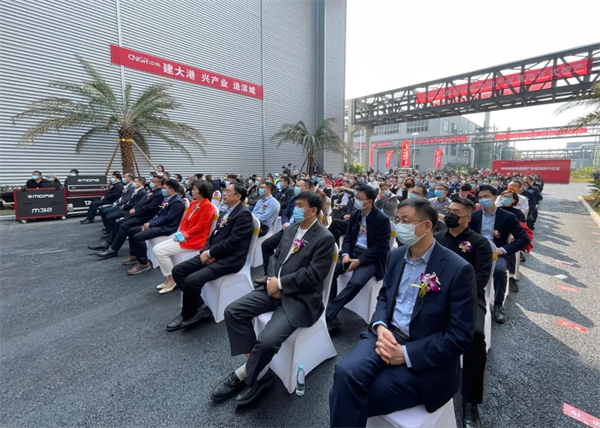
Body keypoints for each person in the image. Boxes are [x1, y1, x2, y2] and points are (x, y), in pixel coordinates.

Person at [329, 199, 477, 428]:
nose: (399, 226)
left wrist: (406, 354)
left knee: (351, 394)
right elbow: (385, 297)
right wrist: (380, 325)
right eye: (397, 220)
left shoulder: (458, 269)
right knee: (345, 374)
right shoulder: (396, 256)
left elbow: (460, 337)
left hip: (423, 351)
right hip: (386, 334)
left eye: (406, 221)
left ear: (427, 226)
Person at [211, 192, 335, 406]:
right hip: (273, 287)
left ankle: (248, 375)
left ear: (312, 211)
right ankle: (258, 370)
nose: (294, 209)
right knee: (233, 312)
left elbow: (313, 275)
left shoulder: (324, 238)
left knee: (267, 341)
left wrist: (282, 284)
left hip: (300, 298)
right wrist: (271, 280)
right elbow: (275, 255)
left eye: (299, 206)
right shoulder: (292, 229)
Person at [434, 198, 493, 428]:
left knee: (475, 336)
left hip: (468, 298)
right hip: (436, 293)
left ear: (468, 217)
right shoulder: (437, 238)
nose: (450, 215)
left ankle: (470, 401)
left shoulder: (479, 243)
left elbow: (480, 278)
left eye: (456, 212)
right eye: (449, 210)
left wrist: (453, 296)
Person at [166, 183, 254, 331]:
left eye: (228, 191)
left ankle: (186, 314)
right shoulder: (227, 211)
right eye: (224, 190)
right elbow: (214, 236)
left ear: (238, 196)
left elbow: (232, 243)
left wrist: (211, 253)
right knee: (178, 271)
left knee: (191, 280)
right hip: (214, 253)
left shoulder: (243, 215)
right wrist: (205, 251)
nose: (224, 193)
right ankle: (201, 307)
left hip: (230, 259)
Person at [326, 185, 391, 331]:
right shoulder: (356, 214)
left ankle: (328, 313)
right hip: (353, 252)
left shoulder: (381, 219)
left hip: (371, 258)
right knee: (331, 270)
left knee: (356, 283)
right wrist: (345, 254)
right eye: (357, 197)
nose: (357, 201)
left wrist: (360, 261)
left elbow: (380, 248)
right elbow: (348, 238)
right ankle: (331, 311)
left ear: (370, 201)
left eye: (361, 199)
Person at [469, 185, 530, 323]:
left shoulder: (507, 216)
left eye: (486, 196)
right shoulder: (474, 215)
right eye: (480, 197)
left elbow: (523, 239)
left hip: (497, 253)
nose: (483, 200)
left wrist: (503, 249)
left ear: (494, 197)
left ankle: (498, 304)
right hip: (476, 252)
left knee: (499, 271)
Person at [153, 180, 215, 294]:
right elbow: (185, 221)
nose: (192, 191)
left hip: (196, 240)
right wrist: (181, 233)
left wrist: (185, 234)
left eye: (194, 189)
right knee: (156, 248)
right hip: (185, 237)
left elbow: (201, 226)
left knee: (160, 251)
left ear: (201, 192)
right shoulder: (194, 203)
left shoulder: (208, 206)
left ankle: (172, 279)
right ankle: (169, 277)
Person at [254, 178, 314, 285]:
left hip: (301, 230)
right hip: (287, 228)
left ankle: (283, 279)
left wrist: (293, 226)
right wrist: (285, 223)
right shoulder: (294, 199)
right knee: (267, 244)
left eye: (298, 186)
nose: (295, 188)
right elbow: (285, 213)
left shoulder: (312, 202)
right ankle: (268, 274)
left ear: (306, 188)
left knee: (287, 250)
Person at [90, 176, 166, 258]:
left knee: (124, 225)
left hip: (145, 217)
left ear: (159, 184)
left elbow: (150, 208)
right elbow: (140, 202)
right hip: (137, 213)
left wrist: (136, 211)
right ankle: (107, 243)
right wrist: (134, 209)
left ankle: (113, 249)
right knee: (119, 223)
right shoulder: (152, 191)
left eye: (153, 181)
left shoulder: (159, 194)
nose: (150, 182)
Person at [123, 179, 185, 275]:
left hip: (167, 227)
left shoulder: (177, 202)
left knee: (138, 236)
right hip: (158, 224)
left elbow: (167, 218)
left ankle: (144, 263)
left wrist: (151, 225)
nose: (162, 190)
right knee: (131, 231)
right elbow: (158, 214)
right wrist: (149, 223)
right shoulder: (167, 198)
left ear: (171, 190)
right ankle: (135, 255)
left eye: (164, 188)